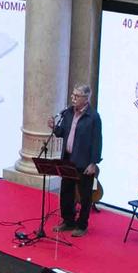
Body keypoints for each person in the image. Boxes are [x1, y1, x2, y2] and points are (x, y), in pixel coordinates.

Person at [50, 83, 103, 234]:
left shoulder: (93, 117)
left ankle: (81, 226)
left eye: (76, 96)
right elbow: (63, 133)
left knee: (85, 195)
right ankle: (68, 221)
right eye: (73, 95)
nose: (73, 98)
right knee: (66, 191)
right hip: (67, 159)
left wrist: (93, 163)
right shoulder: (68, 112)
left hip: (84, 162)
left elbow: (97, 141)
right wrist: (54, 128)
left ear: (86, 98)